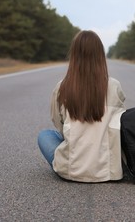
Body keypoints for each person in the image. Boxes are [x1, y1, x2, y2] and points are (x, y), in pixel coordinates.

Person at [37, 30, 126, 183]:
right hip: (109, 171)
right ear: (100, 56)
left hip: (71, 170)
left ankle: (68, 157)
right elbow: (121, 124)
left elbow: (58, 122)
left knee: (45, 135)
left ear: (74, 55)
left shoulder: (62, 87)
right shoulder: (114, 85)